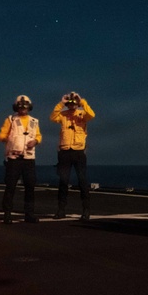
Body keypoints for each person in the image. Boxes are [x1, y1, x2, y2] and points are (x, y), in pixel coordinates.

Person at [49, 91, 96, 220]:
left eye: (74, 103)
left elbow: (92, 114)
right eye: (70, 103)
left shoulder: (83, 114)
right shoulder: (63, 115)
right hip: (64, 151)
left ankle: (86, 210)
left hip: (79, 151)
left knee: (82, 181)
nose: (72, 105)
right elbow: (52, 117)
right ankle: (61, 210)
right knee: (63, 181)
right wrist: (61, 103)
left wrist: (82, 101)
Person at [0, 95, 42, 224]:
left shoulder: (34, 121)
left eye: (25, 106)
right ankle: (7, 214)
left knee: (30, 187)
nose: (23, 109)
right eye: (20, 106)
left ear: (29, 107)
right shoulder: (10, 119)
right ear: (16, 107)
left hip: (29, 159)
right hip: (14, 159)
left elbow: (38, 136)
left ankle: (29, 214)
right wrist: (10, 140)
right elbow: (2, 134)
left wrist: (36, 141)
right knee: (10, 186)